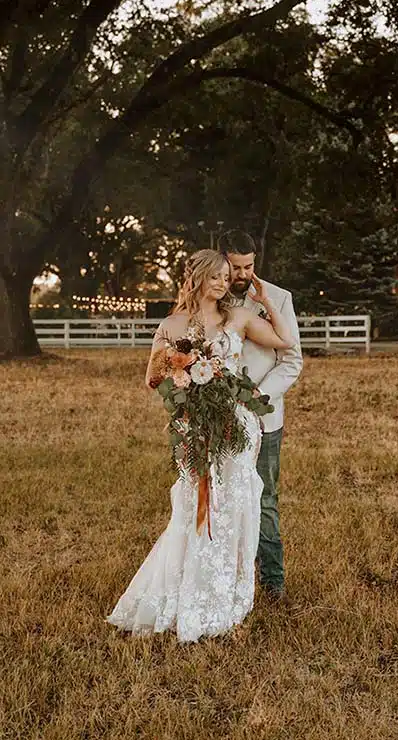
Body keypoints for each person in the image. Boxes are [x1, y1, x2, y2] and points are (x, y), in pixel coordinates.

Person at [106, 249, 293, 642]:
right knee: (196, 508)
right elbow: (152, 379)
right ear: (199, 278)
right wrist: (181, 369)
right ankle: (191, 591)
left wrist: (264, 304)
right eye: (218, 276)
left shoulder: (239, 318)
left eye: (228, 276)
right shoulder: (173, 324)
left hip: (239, 426)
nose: (225, 282)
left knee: (237, 506)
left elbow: (284, 341)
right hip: (195, 426)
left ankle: (230, 599)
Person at [218, 230, 303, 602]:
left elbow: (292, 359)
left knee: (264, 499)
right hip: (219, 419)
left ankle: (273, 582)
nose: (241, 275)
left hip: (265, 421)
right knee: (221, 498)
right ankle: (225, 578)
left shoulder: (278, 298)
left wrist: (259, 396)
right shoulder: (211, 296)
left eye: (248, 266)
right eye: (235, 267)